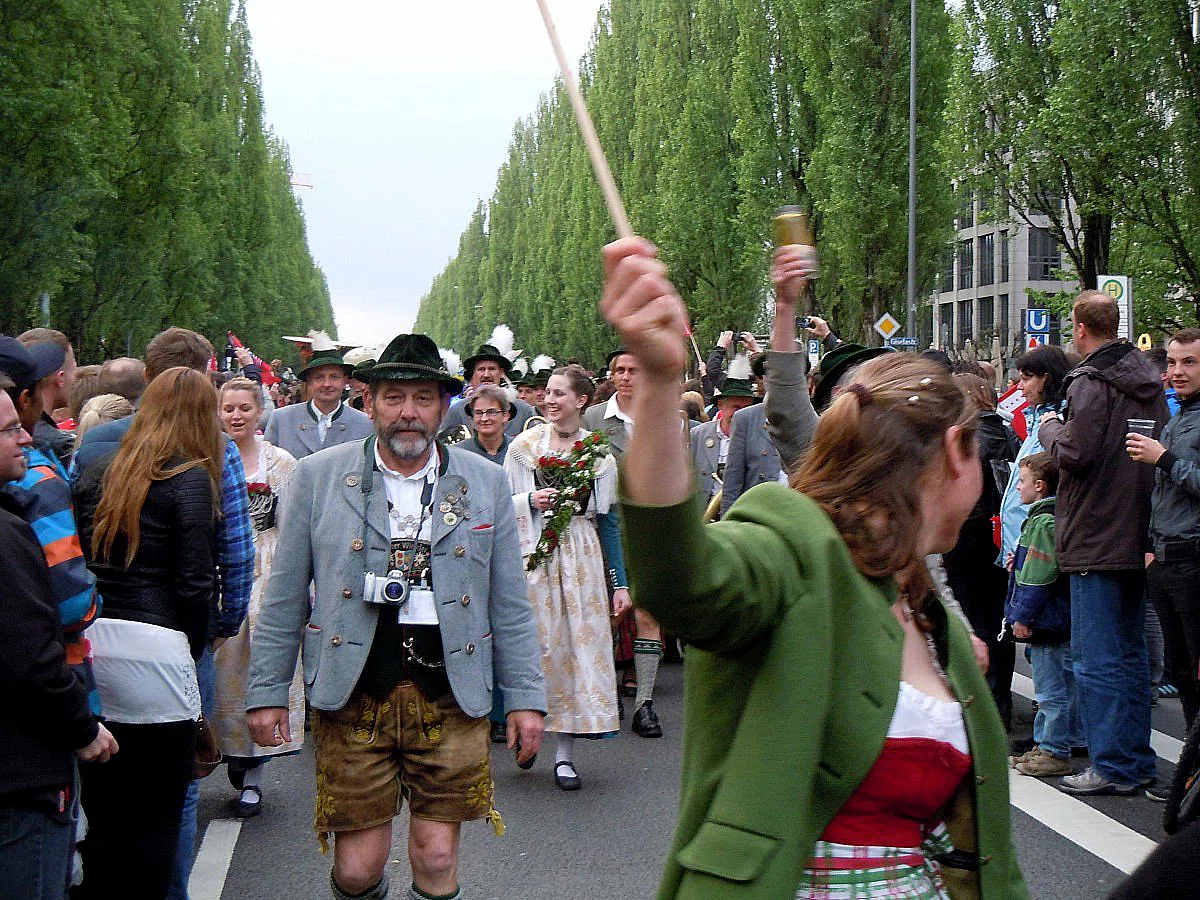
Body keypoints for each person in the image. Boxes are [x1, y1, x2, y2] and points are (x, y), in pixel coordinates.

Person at [601, 236, 1027, 900]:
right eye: (985, 456)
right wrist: (660, 385)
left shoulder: (917, 594)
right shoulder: (794, 538)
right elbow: (679, 583)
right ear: (953, 450)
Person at [246, 334, 546, 900]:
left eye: (424, 398)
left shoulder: (482, 481)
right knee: (358, 869)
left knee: (436, 856)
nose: (408, 412)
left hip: (451, 690)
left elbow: (509, 602)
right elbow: (284, 595)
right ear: (371, 402)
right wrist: (266, 691)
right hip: (354, 687)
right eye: (394, 397)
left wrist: (526, 697)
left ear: (442, 406)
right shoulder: (318, 475)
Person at [72, 367, 222, 899]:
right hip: (158, 645)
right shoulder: (190, 478)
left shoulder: (94, 469)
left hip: (94, 641)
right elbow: (195, 582)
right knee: (159, 815)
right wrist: (196, 644)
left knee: (103, 809)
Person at [1039, 290, 1169, 796]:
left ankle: (1112, 765)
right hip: (1136, 527)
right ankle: (1135, 760)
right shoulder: (1145, 380)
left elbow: (1075, 452)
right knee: (1131, 653)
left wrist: (1050, 427)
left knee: (1096, 658)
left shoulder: (1091, 381)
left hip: (1094, 530)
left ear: (1078, 327)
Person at [0, 378, 118, 900]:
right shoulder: (7, 534)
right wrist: (82, 728)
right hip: (22, 774)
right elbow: (31, 657)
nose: (25, 438)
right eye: (8, 431)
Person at [505, 365, 632, 790]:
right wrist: (530, 499)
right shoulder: (525, 447)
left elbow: (608, 522)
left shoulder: (598, 454)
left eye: (561, 394)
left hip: (580, 557)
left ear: (581, 401)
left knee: (578, 646)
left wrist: (620, 583)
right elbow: (503, 505)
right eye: (548, 393)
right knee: (539, 645)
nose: (551, 401)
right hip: (536, 553)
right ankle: (527, 728)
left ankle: (564, 754)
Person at [209, 377, 304, 818]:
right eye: (228, 408)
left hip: (266, 570)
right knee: (222, 670)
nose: (236, 416)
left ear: (259, 412)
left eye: (244, 408)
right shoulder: (207, 457)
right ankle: (229, 751)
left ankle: (255, 772)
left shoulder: (281, 463)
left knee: (261, 669)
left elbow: (291, 528)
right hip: (221, 570)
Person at [583, 348, 667, 738]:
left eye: (635, 369)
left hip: (650, 529)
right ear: (612, 375)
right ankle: (606, 694)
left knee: (649, 613)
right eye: (620, 369)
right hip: (607, 528)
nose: (627, 376)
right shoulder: (594, 420)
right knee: (608, 615)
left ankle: (644, 704)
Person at [1129, 328, 1200, 734]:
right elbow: (1164, 492)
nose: (1177, 371)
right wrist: (1151, 547)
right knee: (1181, 670)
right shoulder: (1179, 414)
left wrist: (1165, 459)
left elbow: (1179, 475)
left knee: (1194, 667)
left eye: (1189, 362)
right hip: (1166, 558)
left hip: (1193, 558)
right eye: (1172, 363)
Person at [942, 374, 1016, 728]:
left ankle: (984, 701)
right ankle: (999, 699)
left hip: (970, 534)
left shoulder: (975, 436)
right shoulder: (1007, 430)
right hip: (996, 535)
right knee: (997, 620)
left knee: (974, 617)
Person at [1004, 453, 1080, 777]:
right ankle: (1048, 742)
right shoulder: (1045, 518)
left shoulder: (1043, 522)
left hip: (1046, 620)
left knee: (1049, 691)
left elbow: (1037, 576)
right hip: (1053, 617)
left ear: (1038, 486)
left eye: (1021, 482)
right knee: (1055, 686)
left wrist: (1021, 617)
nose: (1017, 487)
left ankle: (1054, 749)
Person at [996, 347, 1072, 565]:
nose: (1020, 388)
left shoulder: (1055, 423)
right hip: (1021, 548)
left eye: (1027, 379)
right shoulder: (1036, 420)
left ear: (1046, 379)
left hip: (1036, 548)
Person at [264, 335, 373, 460]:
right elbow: (268, 467)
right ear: (309, 381)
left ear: (345, 381)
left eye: (334, 377)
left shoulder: (365, 424)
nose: (327, 384)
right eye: (319, 377)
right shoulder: (281, 419)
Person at [439, 342, 535, 437]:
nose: (486, 374)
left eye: (492, 369)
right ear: (474, 374)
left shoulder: (522, 410)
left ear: (501, 373)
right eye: (481, 369)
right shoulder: (457, 410)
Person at [690, 375, 756, 508]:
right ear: (721, 405)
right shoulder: (698, 434)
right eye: (736, 407)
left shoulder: (759, 437)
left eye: (746, 408)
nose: (741, 414)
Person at [17, 329, 77, 468]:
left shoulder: (12, 432)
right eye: (74, 369)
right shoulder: (61, 447)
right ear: (60, 378)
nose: (77, 378)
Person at [459, 384, 513, 466]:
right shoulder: (459, 452)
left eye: (491, 412)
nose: (484, 419)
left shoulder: (517, 449)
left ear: (505, 416)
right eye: (478, 413)